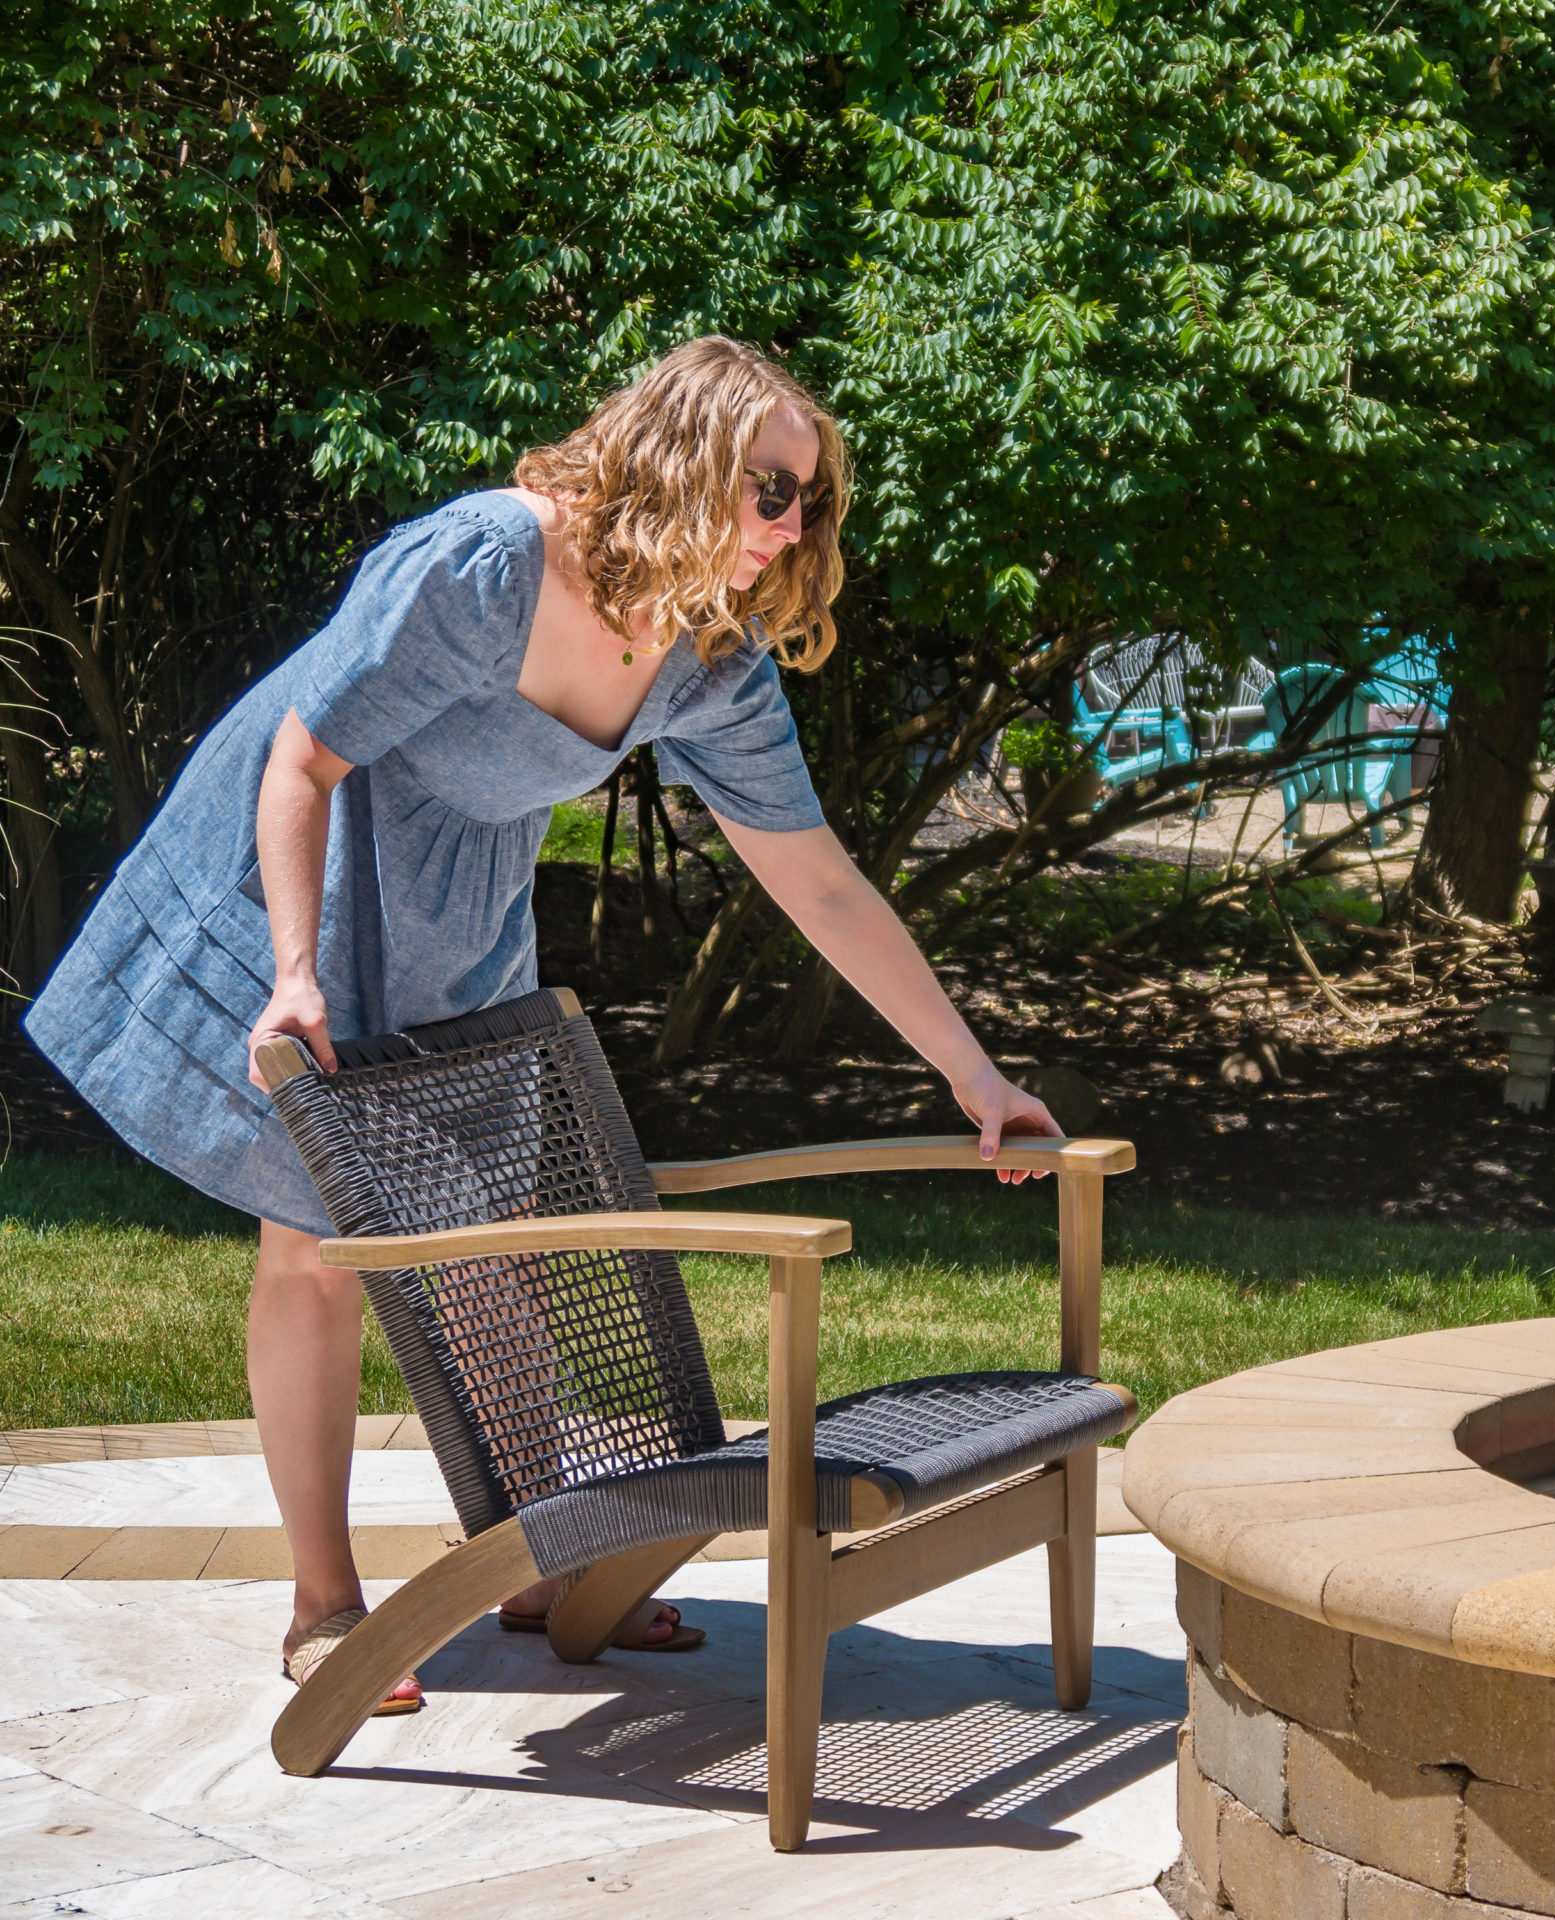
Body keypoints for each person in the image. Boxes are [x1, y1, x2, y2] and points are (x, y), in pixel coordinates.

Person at [25, 337, 1059, 1713]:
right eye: (770, 490)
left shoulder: (707, 653)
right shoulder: (488, 564)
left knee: (501, 1249)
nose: (791, 527)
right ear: (686, 460)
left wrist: (973, 1075)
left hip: (462, 914)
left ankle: (532, 1561)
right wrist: (291, 970)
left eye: (810, 501)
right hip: (316, 876)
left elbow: (813, 873)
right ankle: (325, 1605)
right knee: (316, 1247)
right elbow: (303, 752)